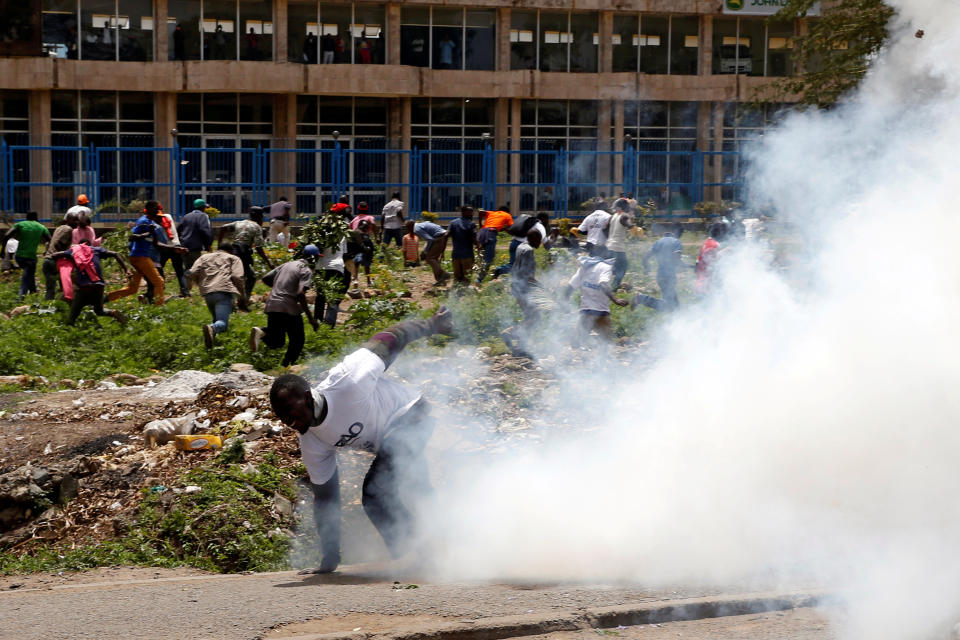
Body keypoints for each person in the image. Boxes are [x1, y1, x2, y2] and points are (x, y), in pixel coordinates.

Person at [268, 306, 454, 574]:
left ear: (307, 398)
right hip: (388, 441)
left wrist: (430, 325)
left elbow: (389, 338)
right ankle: (456, 544)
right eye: (281, 417)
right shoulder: (312, 441)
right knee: (420, 491)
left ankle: (417, 558)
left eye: (290, 412)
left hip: (411, 415)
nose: (288, 421)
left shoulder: (348, 381)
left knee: (375, 493)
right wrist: (329, 559)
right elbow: (326, 499)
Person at [250, 246, 320, 367]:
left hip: (272, 303)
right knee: (298, 339)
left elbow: (266, 278)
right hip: (287, 307)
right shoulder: (306, 270)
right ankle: (287, 366)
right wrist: (311, 319)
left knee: (277, 341)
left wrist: (279, 288)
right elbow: (300, 294)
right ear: (313, 258)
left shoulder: (287, 264)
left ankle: (262, 332)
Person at [107, 201, 185, 306]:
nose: (157, 211)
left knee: (132, 289)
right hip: (140, 257)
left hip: (140, 257)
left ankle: (104, 299)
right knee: (159, 282)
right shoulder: (143, 221)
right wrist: (148, 233)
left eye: (158, 209)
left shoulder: (153, 224)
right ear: (148, 209)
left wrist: (175, 248)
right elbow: (132, 236)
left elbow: (157, 244)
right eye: (155, 209)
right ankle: (159, 308)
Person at [48, 242, 128, 325]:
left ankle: (69, 332)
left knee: (72, 316)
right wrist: (126, 270)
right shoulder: (97, 250)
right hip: (99, 286)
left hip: (85, 288)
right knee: (99, 311)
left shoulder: (74, 251)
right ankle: (113, 312)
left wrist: (67, 260)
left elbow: (54, 255)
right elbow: (115, 253)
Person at [188, 243, 246, 348]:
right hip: (224, 291)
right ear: (231, 250)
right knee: (222, 323)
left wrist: (198, 283)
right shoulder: (233, 258)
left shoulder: (204, 257)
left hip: (207, 293)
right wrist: (242, 295)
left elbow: (192, 273)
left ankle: (211, 346)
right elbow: (237, 276)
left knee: (216, 319)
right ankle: (212, 328)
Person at [566, 253, 628, 344]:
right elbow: (603, 284)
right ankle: (601, 358)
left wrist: (564, 301)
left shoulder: (586, 266)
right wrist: (616, 300)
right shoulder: (607, 268)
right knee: (605, 343)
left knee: (577, 342)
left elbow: (570, 286)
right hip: (601, 312)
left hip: (586, 310)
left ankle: (568, 356)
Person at [501, 228, 541, 358]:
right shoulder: (529, 250)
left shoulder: (521, 246)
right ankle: (511, 333)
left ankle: (521, 346)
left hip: (517, 286)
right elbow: (526, 273)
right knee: (535, 317)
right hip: (524, 288)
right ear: (533, 239)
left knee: (531, 316)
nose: (540, 242)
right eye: (539, 239)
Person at [218, 206, 273, 298]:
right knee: (251, 277)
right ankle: (244, 298)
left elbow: (223, 228)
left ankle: (233, 296)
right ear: (259, 217)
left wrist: (219, 245)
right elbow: (259, 248)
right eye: (262, 216)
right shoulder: (257, 227)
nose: (262, 219)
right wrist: (268, 262)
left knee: (233, 275)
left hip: (233, 252)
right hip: (243, 254)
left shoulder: (239, 223)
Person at [633, 224, 684, 312]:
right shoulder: (676, 242)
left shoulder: (659, 242)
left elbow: (646, 256)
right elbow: (677, 259)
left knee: (673, 306)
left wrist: (647, 268)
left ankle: (642, 299)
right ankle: (641, 298)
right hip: (669, 277)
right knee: (671, 307)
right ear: (679, 234)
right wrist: (688, 266)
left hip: (660, 276)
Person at [2, 211, 50, 299]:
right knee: (27, 274)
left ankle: (33, 293)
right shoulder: (41, 227)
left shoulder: (20, 224)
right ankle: (21, 297)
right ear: (36, 218)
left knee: (29, 274)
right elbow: (50, 240)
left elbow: (6, 235)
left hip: (19, 257)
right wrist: (47, 251)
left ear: (26, 218)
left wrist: (2, 252)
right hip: (31, 258)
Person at [314, 230, 349, 328]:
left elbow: (316, 251)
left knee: (320, 296)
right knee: (333, 297)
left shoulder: (319, 234)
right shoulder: (342, 234)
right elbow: (345, 254)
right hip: (337, 267)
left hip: (321, 267)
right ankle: (329, 324)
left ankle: (317, 321)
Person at [42, 211, 79, 302]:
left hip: (47, 260)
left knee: (50, 289)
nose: (77, 223)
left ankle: (47, 308)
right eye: (74, 220)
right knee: (66, 285)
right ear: (68, 220)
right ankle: (66, 305)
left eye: (77, 220)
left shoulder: (59, 228)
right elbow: (58, 244)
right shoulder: (68, 229)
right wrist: (66, 255)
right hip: (55, 261)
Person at [153, 204, 189, 298]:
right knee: (179, 271)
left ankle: (161, 287)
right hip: (176, 246)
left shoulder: (154, 222)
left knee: (159, 267)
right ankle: (185, 292)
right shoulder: (168, 216)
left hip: (165, 248)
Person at [492, 212, 541, 278]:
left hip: (514, 243)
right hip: (521, 246)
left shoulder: (523, 224)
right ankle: (500, 270)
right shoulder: (534, 226)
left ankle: (503, 271)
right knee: (517, 265)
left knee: (513, 264)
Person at [476, 206, 513, 284]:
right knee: (489, 258)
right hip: (491, 233)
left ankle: (477, 276)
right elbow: (512, 228)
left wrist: (480, 225)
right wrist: (507, 229)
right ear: (507, 211)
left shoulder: (493, 213)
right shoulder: (507, 215)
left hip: (481, 232)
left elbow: (480, 212)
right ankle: (478, 281)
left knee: (481, 256)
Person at [605, 199, 635, 289]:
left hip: (609, 246)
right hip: (618, 248)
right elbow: (629, 224)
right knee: (623, 267)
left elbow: (604, 228)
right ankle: (615, 286)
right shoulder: (624, 216)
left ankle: (608, 284)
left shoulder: (613, 216)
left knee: (613, 267)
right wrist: (631, 223)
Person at [177, 199, 214, 273]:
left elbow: (178, 230)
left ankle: (187, 283)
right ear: (203, 207)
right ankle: (192, 283)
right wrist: (208, 245)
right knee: (198, 269)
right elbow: (205, 231)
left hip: (184, 246)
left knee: (188, 268)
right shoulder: (203, 216)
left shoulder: (186, 216)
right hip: (195, 247)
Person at [448, 206, 477, 286]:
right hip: (467, 256)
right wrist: (479, 246)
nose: (472, 214)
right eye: (470, 212)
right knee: (467, 278)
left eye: (472, 212)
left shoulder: (453, 223)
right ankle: (465, 296)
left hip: (455, 255)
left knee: (457, 279)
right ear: (463, 212)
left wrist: (442, 250)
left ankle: (455, 296)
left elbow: (446, 235)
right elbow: (474, 239)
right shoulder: (471, 224)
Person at [695, 223, 727, 295]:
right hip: (708, 284)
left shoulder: (707, 242)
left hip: (701, 281)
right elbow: (715, 262)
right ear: (720, 233)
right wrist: (726, 251)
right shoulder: (715, 245)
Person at [414, 219, 449, 284]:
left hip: (438, 237)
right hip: (443, 236)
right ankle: (440, 280)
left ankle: (444, 274)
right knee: (434, 259)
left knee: (430, 258)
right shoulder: (422, 224)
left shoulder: (417, 229)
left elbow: (430, 240)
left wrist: (425, 252)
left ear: (410, 227)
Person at [347, 219, 376, 288]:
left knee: (365, 266)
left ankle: (367, 281)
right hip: (360, 251)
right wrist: (366, 248)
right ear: (360, 225)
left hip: (364, 252)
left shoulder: (362, 232)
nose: (366, 228)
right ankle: (356, 280)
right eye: (364, 226)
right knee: (358, 265)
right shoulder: (358, 232)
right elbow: (359, 242)